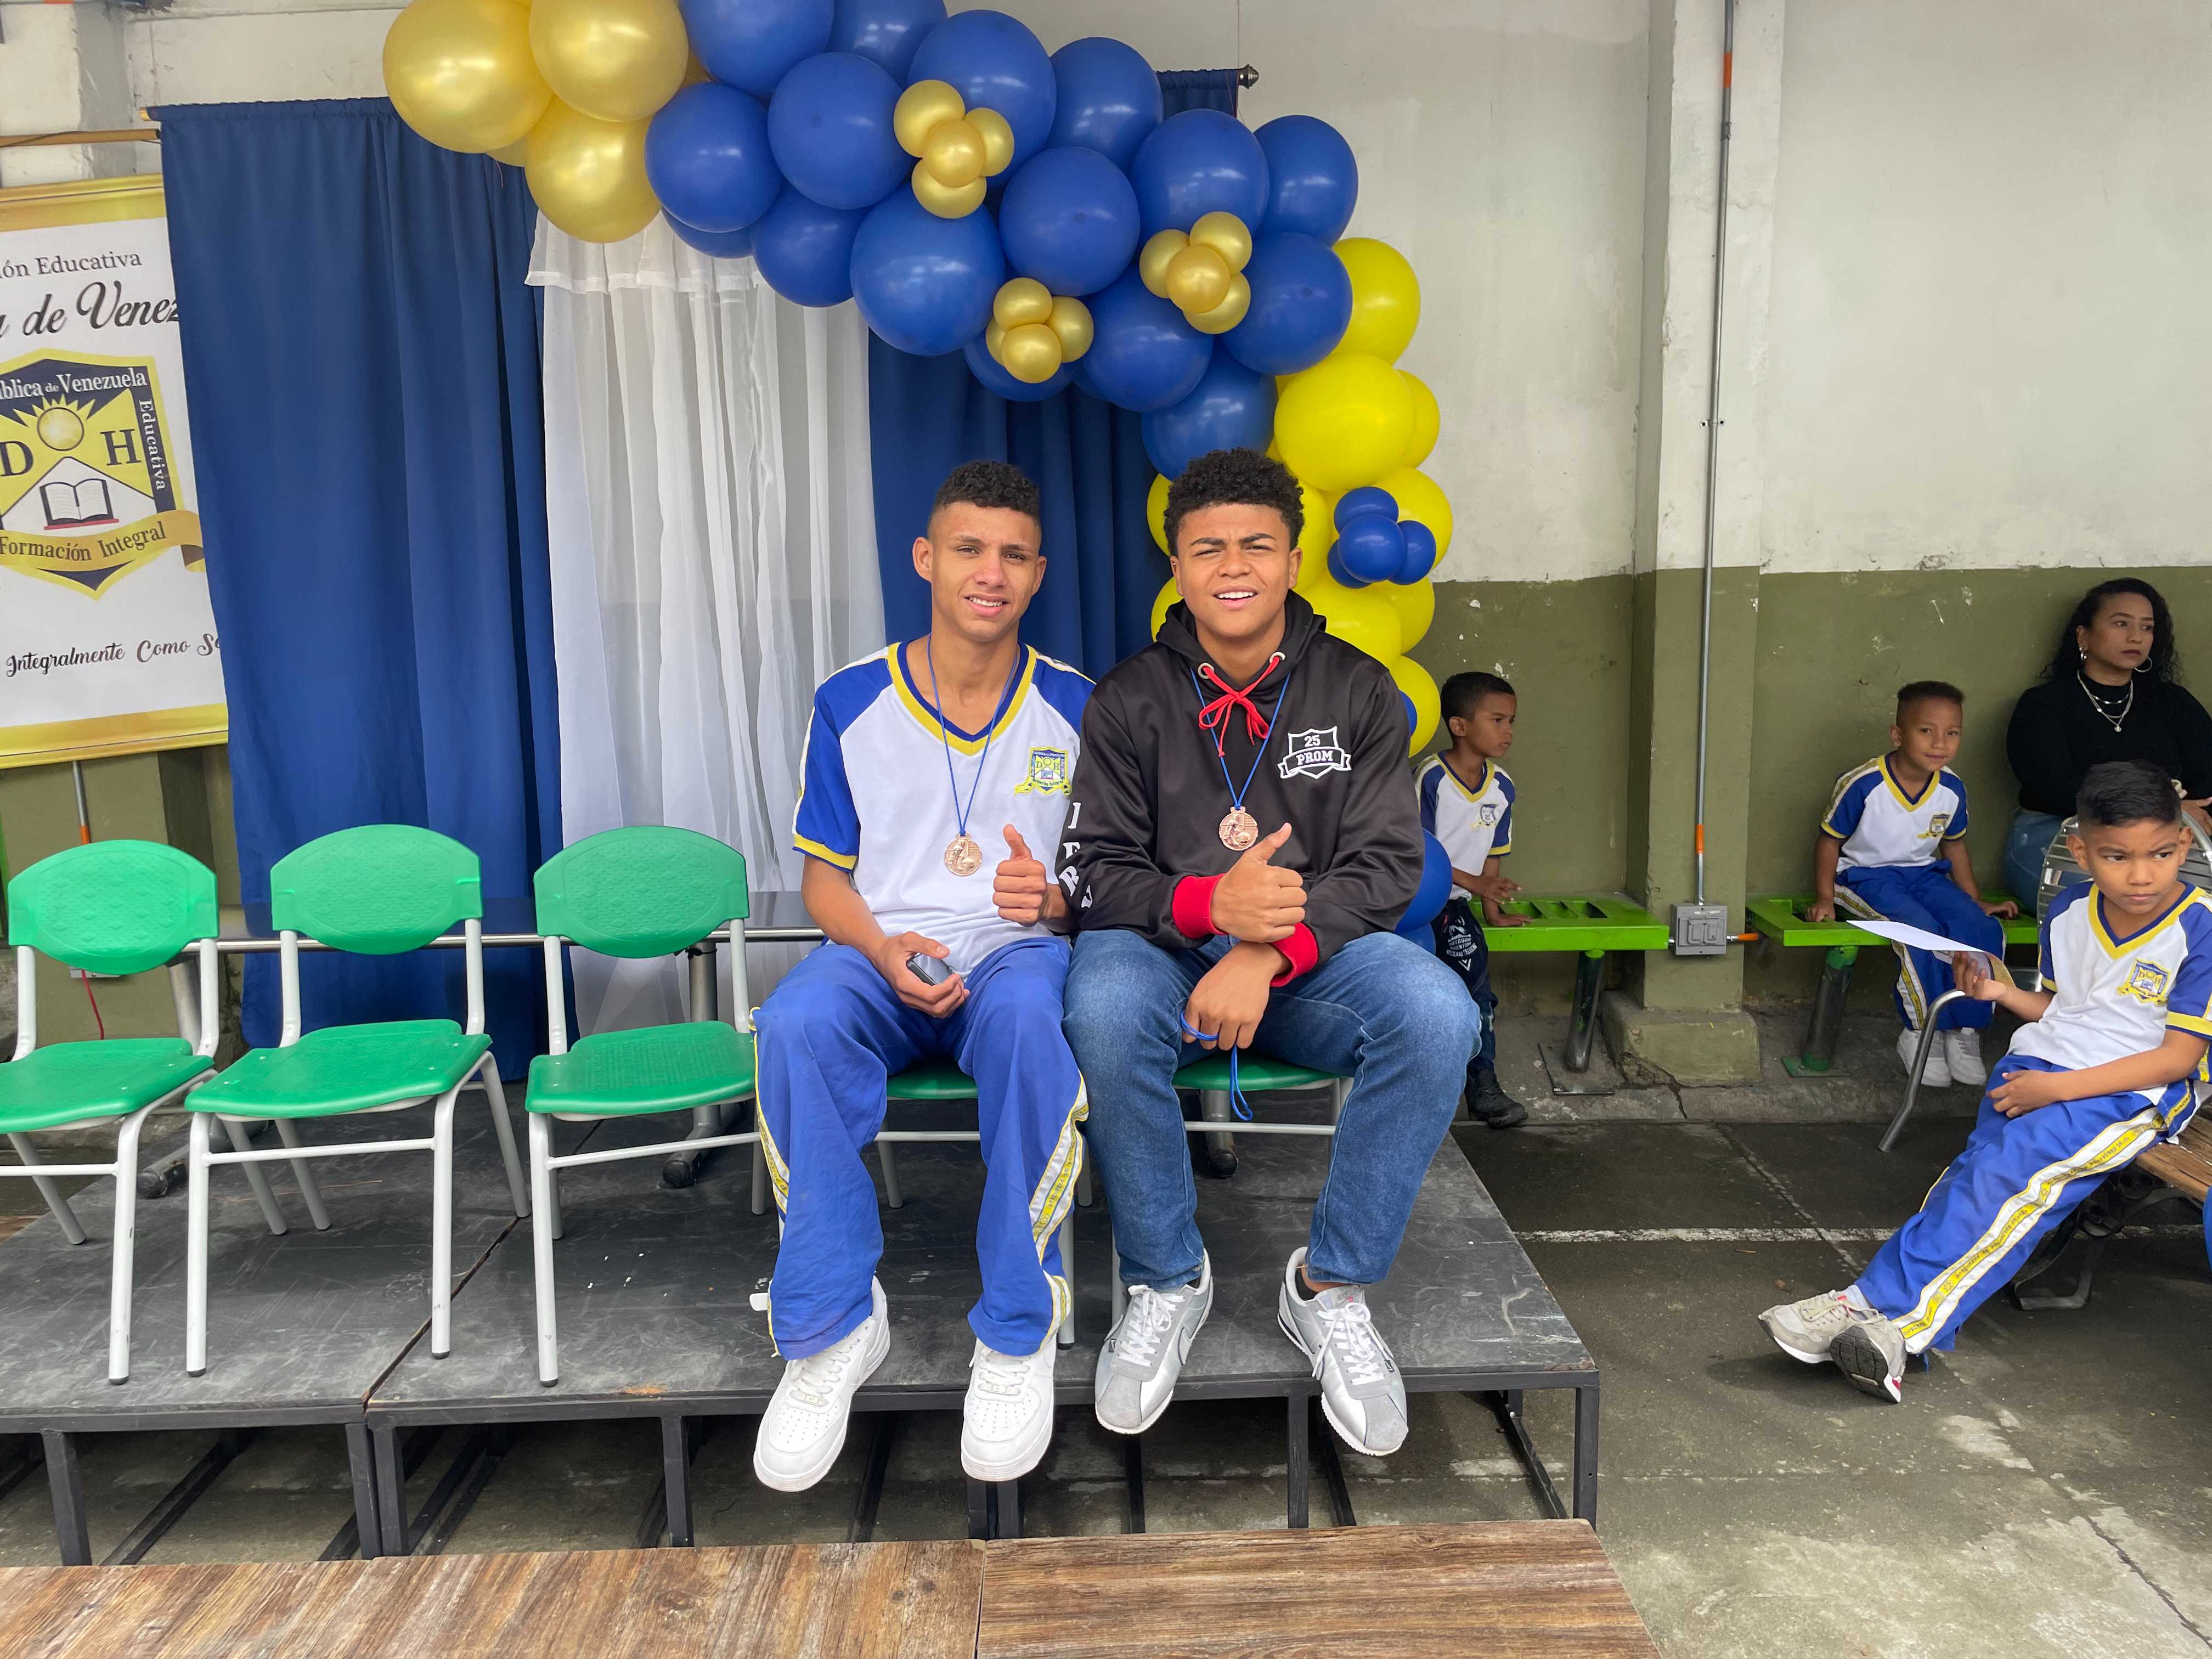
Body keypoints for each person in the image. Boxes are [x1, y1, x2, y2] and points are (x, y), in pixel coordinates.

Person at [1059, 447, 1480, 1458]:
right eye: (1208, 547)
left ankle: (1329, 1287)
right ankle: (1166, 1279)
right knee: (1101, 1007)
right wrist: (1211, 905)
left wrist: (1266, 951)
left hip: (1312, 959)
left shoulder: (1359, 689)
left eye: (1256, 544)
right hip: (1165, 949)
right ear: (1177, 566)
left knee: (1438, 1014)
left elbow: (1387, 864)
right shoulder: (1129, 697)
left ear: (1293, 561)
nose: (1233, 565)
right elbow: (1094, 872)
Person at [751, 460, 1091, 1493]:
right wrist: (881, 948)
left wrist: (1055, 898)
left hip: (1013, 950)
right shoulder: (851, 698)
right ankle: (832, 1325)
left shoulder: (1078, 703)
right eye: (968, 549)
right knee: (795, 1021)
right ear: (925, 559)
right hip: (880, 947)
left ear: (1037, 575)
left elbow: (1109, 876)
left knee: (1032, 1017)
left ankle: (1018, 1328)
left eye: (1013, 555)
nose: (990, 572)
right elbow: (824, 878)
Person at [1759, 760, 2210, 1402]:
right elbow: (2066, 1009)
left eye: (2161, 854)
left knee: (2010, 1190)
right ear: (2083, 852)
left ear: (2185, 845)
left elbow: (2177, 1060)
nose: (2141, 875)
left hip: (2128, 1094)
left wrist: (2056, 1091)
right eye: (2118, 857)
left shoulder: (2201, 928)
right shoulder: (2071, 910)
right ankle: (1862, 1303)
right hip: (2040, 1066)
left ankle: (1901, 1332)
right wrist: (2002, 994)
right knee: (1973, 1183)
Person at [1806, 681, 2016, 1087]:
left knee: (1979, 928)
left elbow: (1954, 845)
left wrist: (1974, 900)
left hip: (1923, 876)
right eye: (1926, 731)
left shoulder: (1952, 787)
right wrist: (1825, 897)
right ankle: (1922, 1030)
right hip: (1864, 876)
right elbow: (1829, 841)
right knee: (1920, 931)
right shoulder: (1864, 783)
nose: (1940, 743)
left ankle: (1964, 1029)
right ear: (1898, 734)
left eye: (1952, 733)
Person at [2002, 578, 2212, 905]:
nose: (2135, 637)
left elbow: (2206, 777)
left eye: (2146, 627)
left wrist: (2172, 820)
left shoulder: (2172, 702)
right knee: (2133, 898)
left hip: (2165, 841)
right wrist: (2163, 806)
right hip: (2061, 839)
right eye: (2121, 624)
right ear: (2083, 636)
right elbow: (2055, 787)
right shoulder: (2044, 705)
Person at [1417, 671, 1528, 1128]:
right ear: (1459, 725)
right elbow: (1416, 851)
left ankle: (1482, 1085)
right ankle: (1424, 1093)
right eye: (1497, 720)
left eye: (1511, 721)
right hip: (1414, 907)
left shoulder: (1502, 787)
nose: (1508, 731)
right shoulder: (1430, 778)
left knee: (1477, 994)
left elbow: (1493, 857)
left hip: (1456, 909)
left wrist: (1492, 909)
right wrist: (1476, 884)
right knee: (1421, 999)